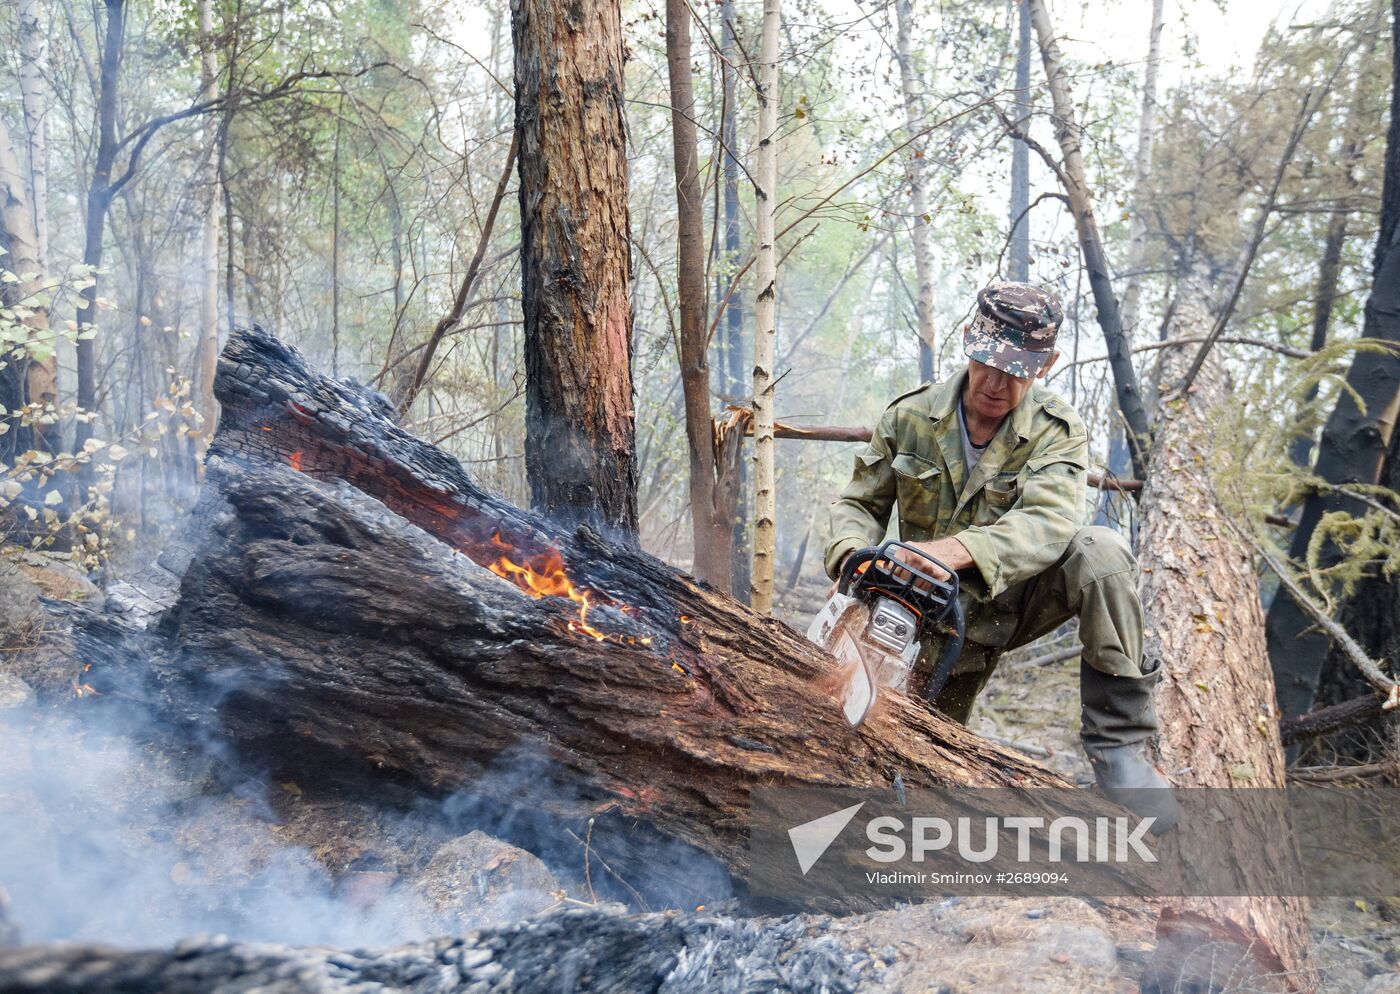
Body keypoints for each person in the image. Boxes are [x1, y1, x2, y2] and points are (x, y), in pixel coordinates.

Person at [823, 281, 1176, 827]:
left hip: (1007, 607)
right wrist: (853, 557)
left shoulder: (1056, 430)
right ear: (970, 339)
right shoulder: (911, 416)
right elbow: (859, 503)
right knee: (905, 762)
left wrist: (951, 552)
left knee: (1102, 551)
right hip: (917, 616)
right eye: (987, 362)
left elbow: (1050, 522)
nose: (995, 382)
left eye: (1016, 370)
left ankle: (1120, 747)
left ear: (1046, 365)